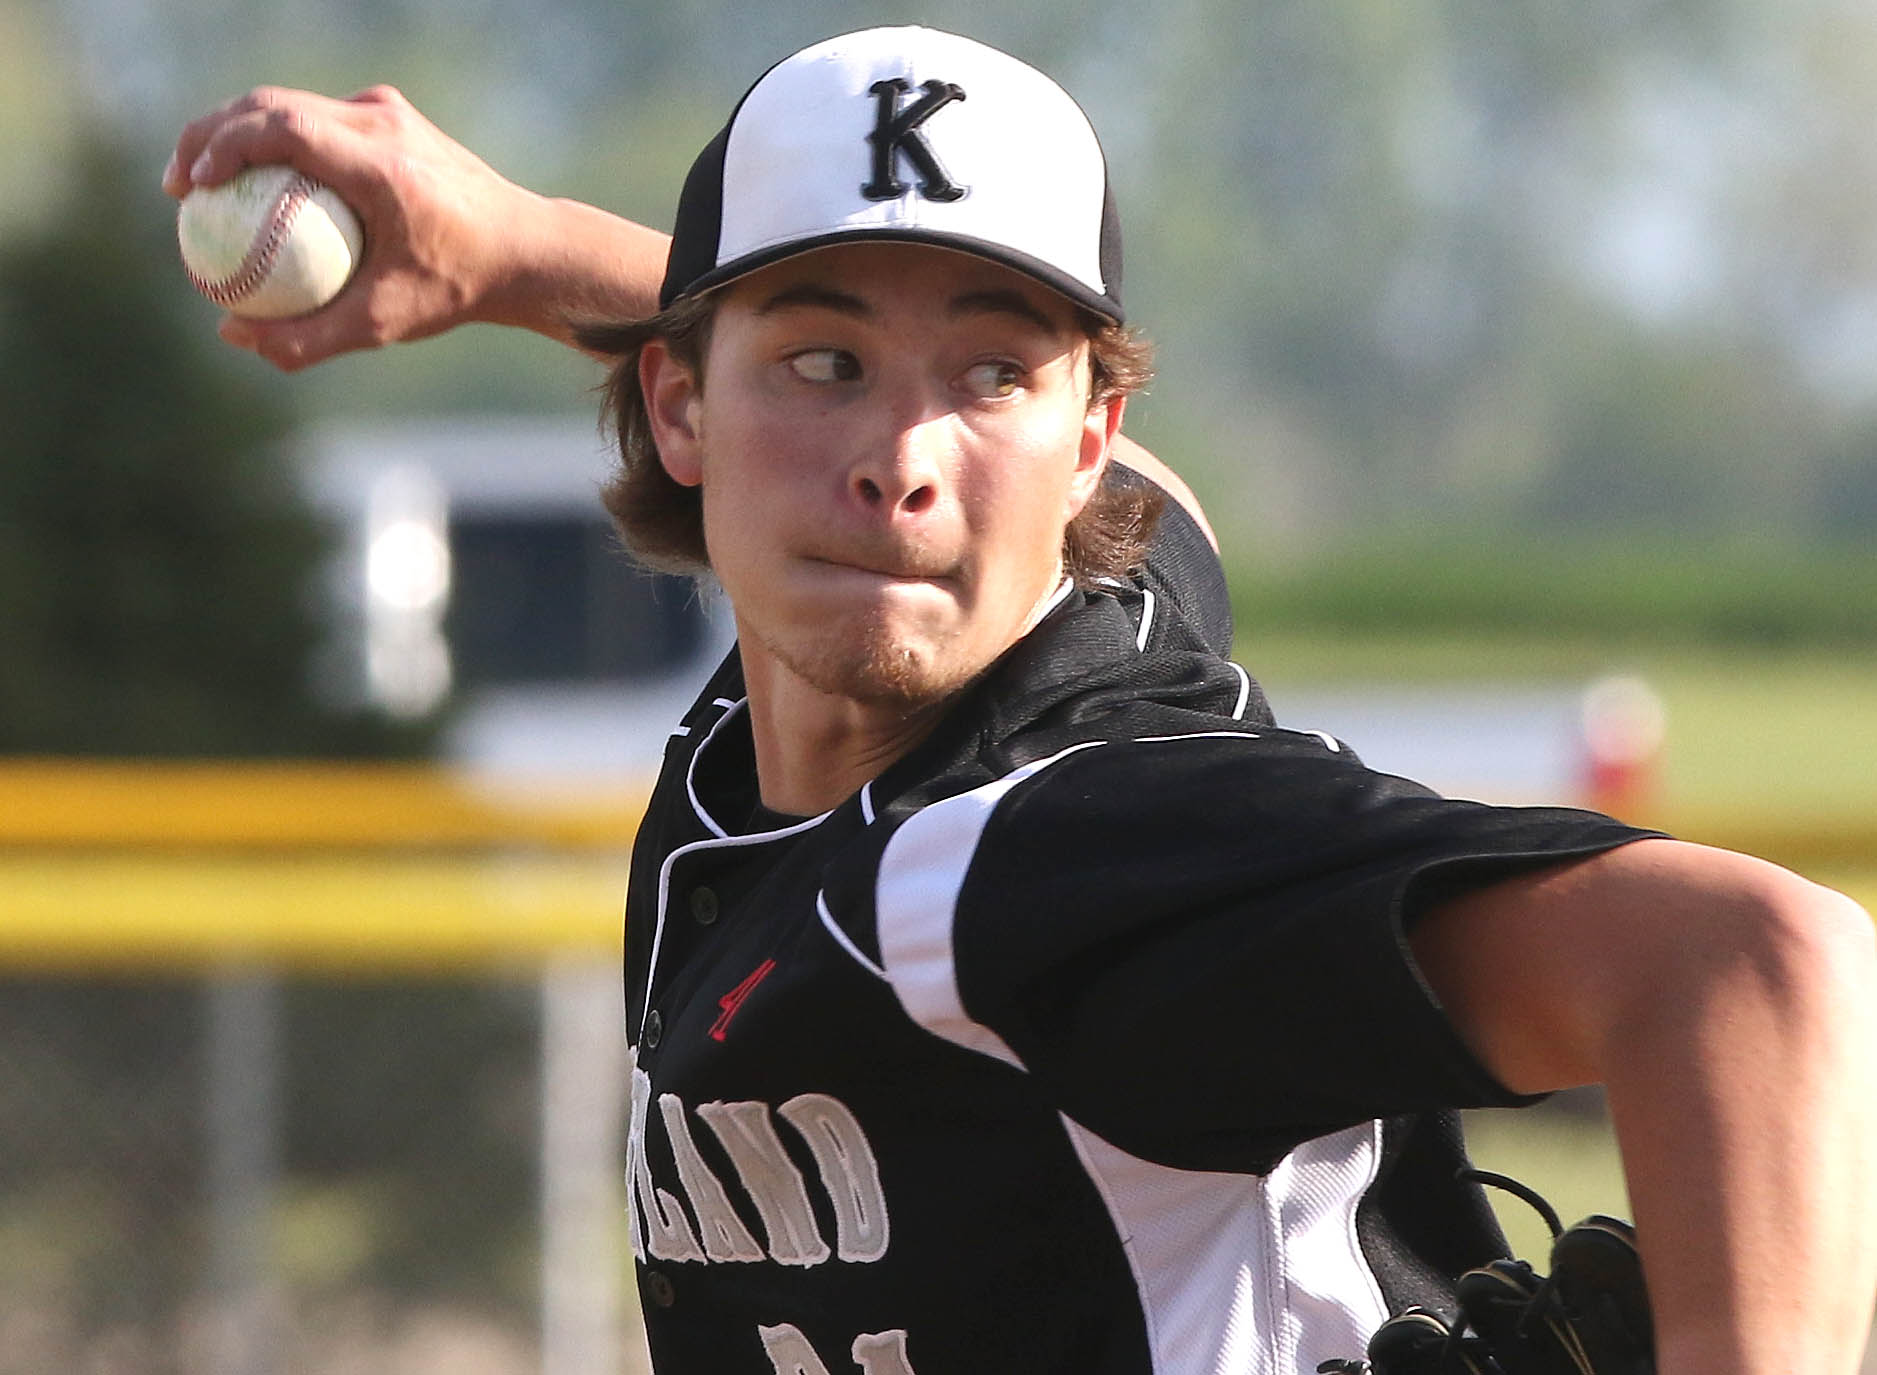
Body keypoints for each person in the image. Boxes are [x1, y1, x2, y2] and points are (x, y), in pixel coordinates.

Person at [166, 26, 1877, 1375]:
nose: (902, 464)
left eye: (994, 374)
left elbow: (1758, 966)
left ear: (1082, 443)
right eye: (820, 363)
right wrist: (525, 251)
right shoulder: (775, 762)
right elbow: (1164, 509)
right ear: (677, 409)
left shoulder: (1043, 853)